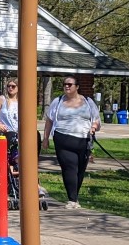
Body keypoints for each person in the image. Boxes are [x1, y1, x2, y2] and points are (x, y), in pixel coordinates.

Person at [42, 75, 100, 211]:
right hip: (63, 139)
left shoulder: (88, 102)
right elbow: (49, 120)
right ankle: (72, 199)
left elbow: (96, 119)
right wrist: (45, 138)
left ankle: (75, 196)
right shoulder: (58, 101)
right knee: (70, 168)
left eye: (70, 84)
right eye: (65, 84)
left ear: (77, 87)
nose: (66, 86)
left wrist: (93, 127)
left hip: (84, 140)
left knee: (80, 170)